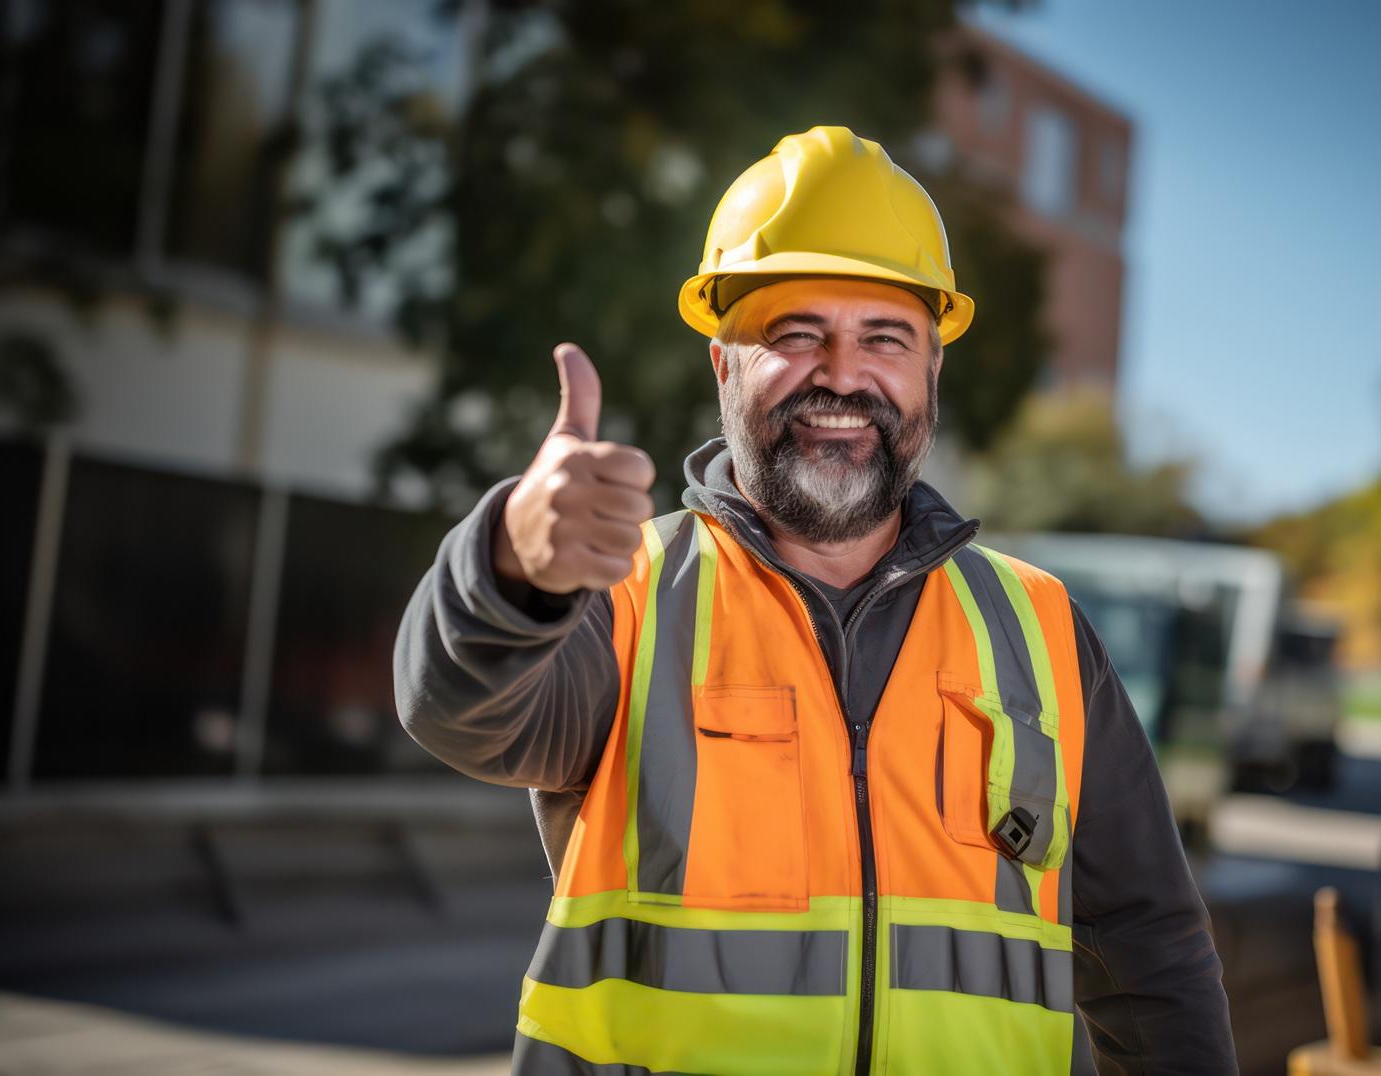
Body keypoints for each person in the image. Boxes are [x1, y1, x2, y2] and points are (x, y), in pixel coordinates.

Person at [394, 125, 1237, 1075]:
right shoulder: (623, 595)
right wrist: (511, 568)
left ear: (931, 371)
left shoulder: (1038, 627)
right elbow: (458, 712)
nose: (841, 373)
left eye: (885, 337)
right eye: (797, 334)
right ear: (723, 364)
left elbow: (1149, 948)